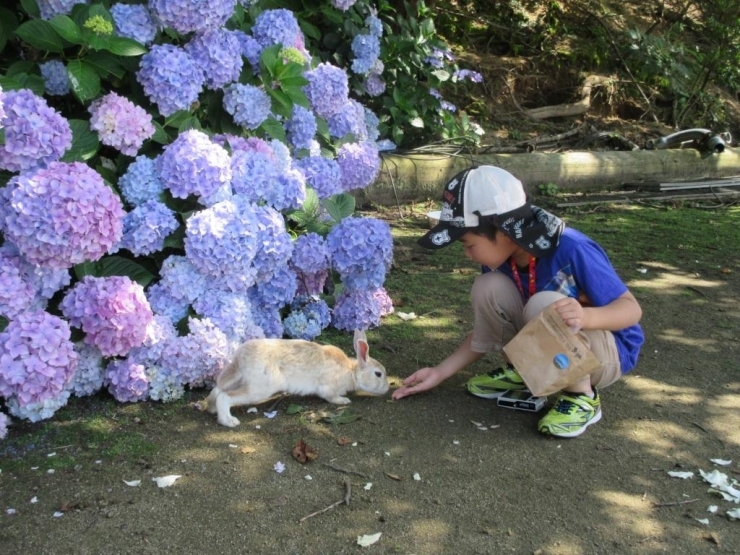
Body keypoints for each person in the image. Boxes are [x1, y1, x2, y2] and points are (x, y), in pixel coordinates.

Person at [391, 165, 644, 438]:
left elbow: (631, 309)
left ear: (503, 232)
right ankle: (525, 371)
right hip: (557, 347)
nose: (466, 254)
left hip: (603, 356)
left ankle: (581, 397)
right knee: (488, 288)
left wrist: (587, 317)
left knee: (543, 303)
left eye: (468, 244)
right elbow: (484, 332)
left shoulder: (573, 248)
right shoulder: (500, 260)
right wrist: (439, 373)